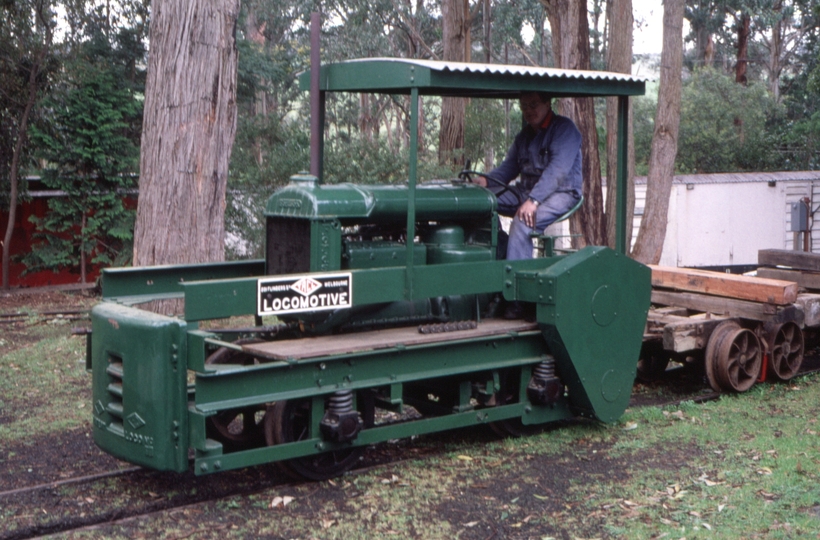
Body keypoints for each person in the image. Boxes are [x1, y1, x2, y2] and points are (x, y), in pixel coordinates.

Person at [473, 91, 583, 319]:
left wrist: (533, 201)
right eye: (524, 106)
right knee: (481, 203)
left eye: (533, 104)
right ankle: (503, 255)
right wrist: (484, 181)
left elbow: (558, 171)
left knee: (522, 223)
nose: (529, 110)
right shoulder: (524, 136)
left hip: (560, 192)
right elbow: (508, 169)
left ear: (547, 103)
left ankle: (517, 299)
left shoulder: (564, 130)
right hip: (527, 193)